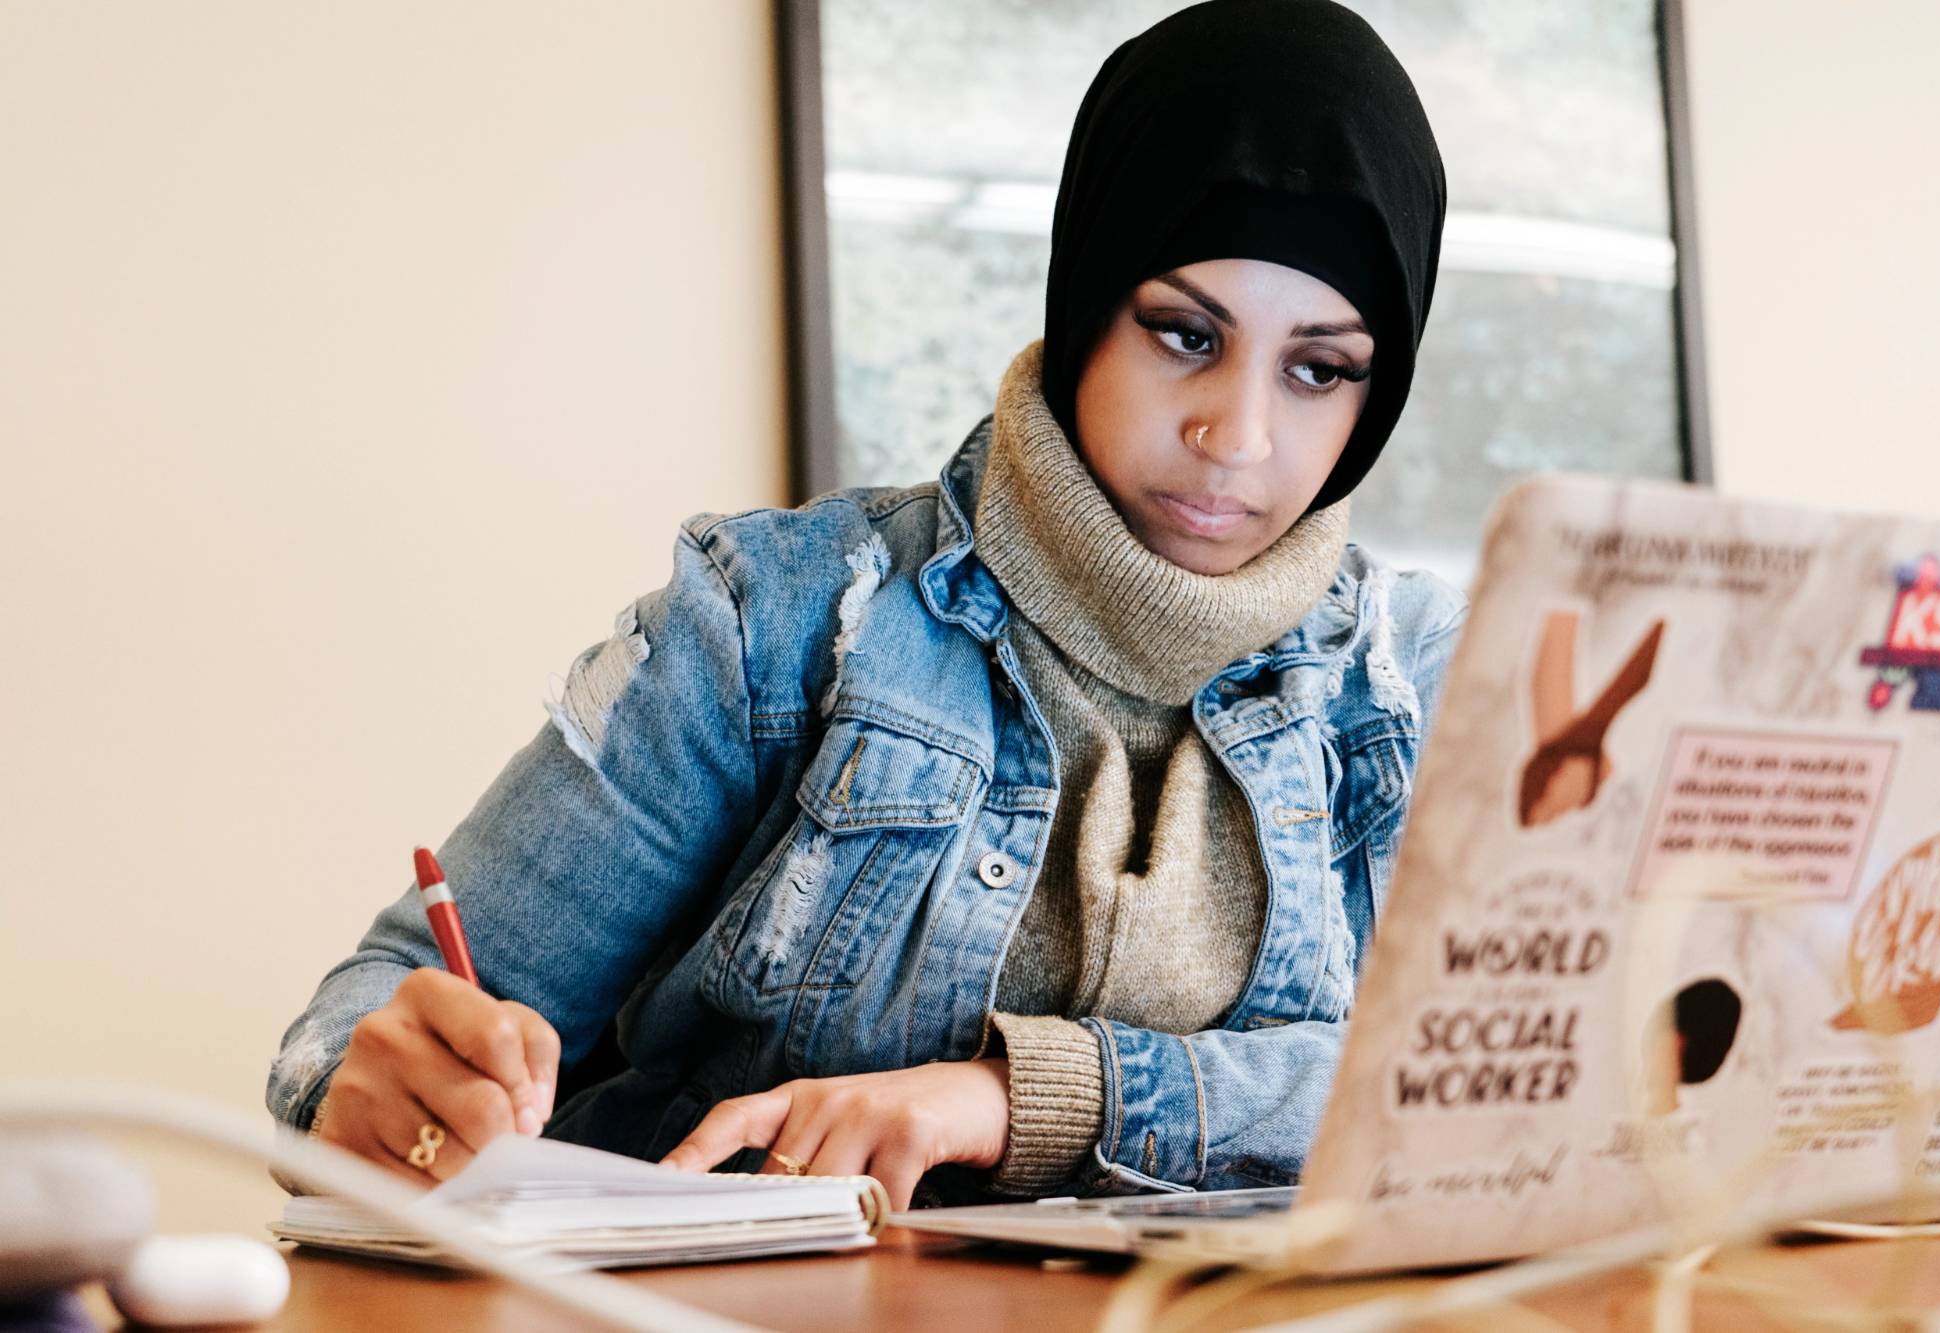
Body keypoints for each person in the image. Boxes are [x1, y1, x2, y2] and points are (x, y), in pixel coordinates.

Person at [268, 0, 1462, 1211]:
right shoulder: (773, 623)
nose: (1237, 436)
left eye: (1320, 368)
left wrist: (1014, 1097)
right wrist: (378, 1094)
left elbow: (1521, 1093)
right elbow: (371, 1019)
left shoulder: (1429, 675)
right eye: (1181, 333)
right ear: (1084, 301)